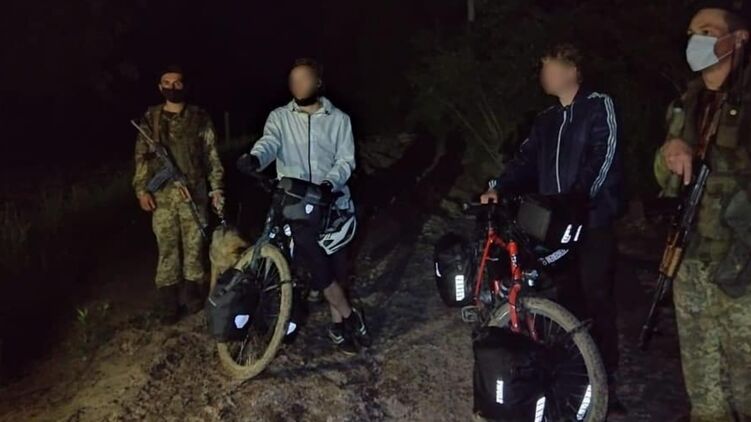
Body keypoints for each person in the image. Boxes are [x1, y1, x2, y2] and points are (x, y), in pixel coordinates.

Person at [479, 44, 626, 414]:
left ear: (573, 69)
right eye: (543, 67)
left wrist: (578, 199)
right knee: (564, 298)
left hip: (591, 221)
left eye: (551, 67)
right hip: (553, 225)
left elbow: (604, 156)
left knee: (596, 297)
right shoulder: (546, 120)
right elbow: (525, 160)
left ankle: (607, 381)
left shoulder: (598, 106)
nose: (544, 74)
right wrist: (498, 187)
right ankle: (573, 376)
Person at [654, 2, 751, 420]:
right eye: (692, 33)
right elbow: (664, 179)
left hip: (741, 268)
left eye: (708, 32)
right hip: (691, 261)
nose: (697, 41)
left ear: (739, 39)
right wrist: (669, 151)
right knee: (704, 387)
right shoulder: (686, 103)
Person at [237, 58, 371, 355]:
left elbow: (346, 160)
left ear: (318, 82)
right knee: (317, 267)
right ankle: (348, 316)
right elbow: (269, 143)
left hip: (333, 204)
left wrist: (329, 185)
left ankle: (338, 326)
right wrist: (256, 158)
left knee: (336, 269)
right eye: (293, 80)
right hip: (296, 205)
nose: (297, 85)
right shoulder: (280, 117)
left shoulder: (339, 119)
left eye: (303, 79)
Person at [132, 65, 225, 324]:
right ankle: (168, 301)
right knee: (167, 248)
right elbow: (141, 158)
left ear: (185, 86)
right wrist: (141, 190)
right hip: (162, 196)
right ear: (160, 87)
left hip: (194, 191)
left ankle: (192, 294)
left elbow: (212, 155)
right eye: (167, 82)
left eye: (177, 83)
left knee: (195, 245)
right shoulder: (151, 119)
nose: (172, 87)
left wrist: (217, 188)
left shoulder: (199, 117)